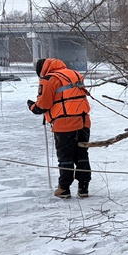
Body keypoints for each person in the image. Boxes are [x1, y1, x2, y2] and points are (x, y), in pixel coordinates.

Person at [28, 57, 91, 198]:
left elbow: (43, 104)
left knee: (65, 157)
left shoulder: (49, 79)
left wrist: (33, 107)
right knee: (81, 155)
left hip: (64, 123)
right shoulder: (75, 74)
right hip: (84, 120)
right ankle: (83, 187)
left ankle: (64, 188)